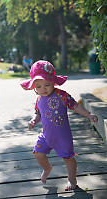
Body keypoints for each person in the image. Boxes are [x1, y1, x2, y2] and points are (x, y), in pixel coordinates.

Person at [20, 60, 98, 191]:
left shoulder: (61, 95)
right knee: (38, 153)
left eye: (47, 85)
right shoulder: (38, 99)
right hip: (46, 135)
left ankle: (72, 179)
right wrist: (33, 120)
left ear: (53, 82)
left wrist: (88, 114)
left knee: (68, 159)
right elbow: (38, 113)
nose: (43, 89)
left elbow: (75, 106)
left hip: (62, 136)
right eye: (38, 86)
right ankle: (47, 168)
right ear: (34, 87)